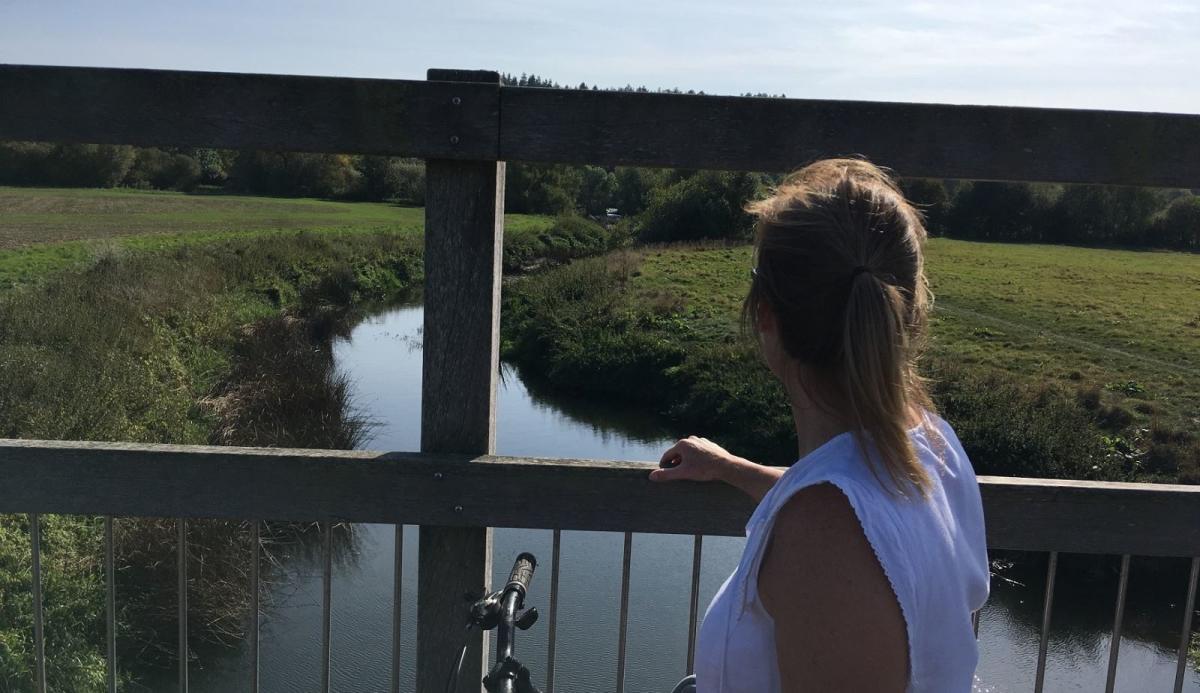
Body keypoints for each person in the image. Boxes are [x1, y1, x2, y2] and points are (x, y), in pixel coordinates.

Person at [650, 159, 989, 692]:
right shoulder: (930, 444)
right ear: (909, 308)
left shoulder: (825, 531)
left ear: (764, 312)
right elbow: (860, 505)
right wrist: (731, 468)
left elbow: (842, 523)